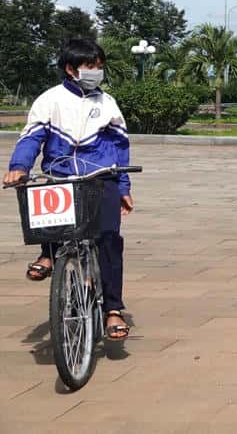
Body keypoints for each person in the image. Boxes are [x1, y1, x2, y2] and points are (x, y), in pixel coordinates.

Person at [3, 39, 134, 340]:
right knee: (47, 210)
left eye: (100, 67)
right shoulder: (49, 100)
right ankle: (48, 254)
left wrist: (124, 185)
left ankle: (113, 309)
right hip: (60, 173)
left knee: (110, 240)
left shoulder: (107, 104)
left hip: (102, 177)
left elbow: (120, 146)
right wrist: (19, 166)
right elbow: (32, 137)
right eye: (90, 67)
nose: (96, 72)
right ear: (71, 69)